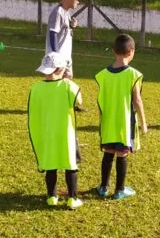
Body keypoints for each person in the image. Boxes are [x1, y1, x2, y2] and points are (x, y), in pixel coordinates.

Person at [27, 52, 84, 210]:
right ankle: (73, 198)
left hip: (47, 133)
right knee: (70, 164)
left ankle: (51, 196)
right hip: (66, 134)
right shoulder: (68, 86)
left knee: (51, 164)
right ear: (61, 69)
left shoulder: (36, 88)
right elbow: (79, 100)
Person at [94, 34, 148, 199]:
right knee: (122, 154)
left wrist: (102, 119)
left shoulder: (102, 75)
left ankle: (103, 187)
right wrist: (144, 123)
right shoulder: (133, 74)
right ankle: (119, 190)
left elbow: (100, 100)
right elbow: (137, 100)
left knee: (108, 152)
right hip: (125, 123)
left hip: (108, 122)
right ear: (131, 52)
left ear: (113, 51)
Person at [45, 0, 80, 79]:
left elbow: (63, 29)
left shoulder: (66, 12)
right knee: (56, 83)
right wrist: (56, 57)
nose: (78, 2)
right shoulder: (58, 12)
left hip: (66, 56)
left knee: (68, 80)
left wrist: (72, 26)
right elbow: (53, 33)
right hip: (59, 57)